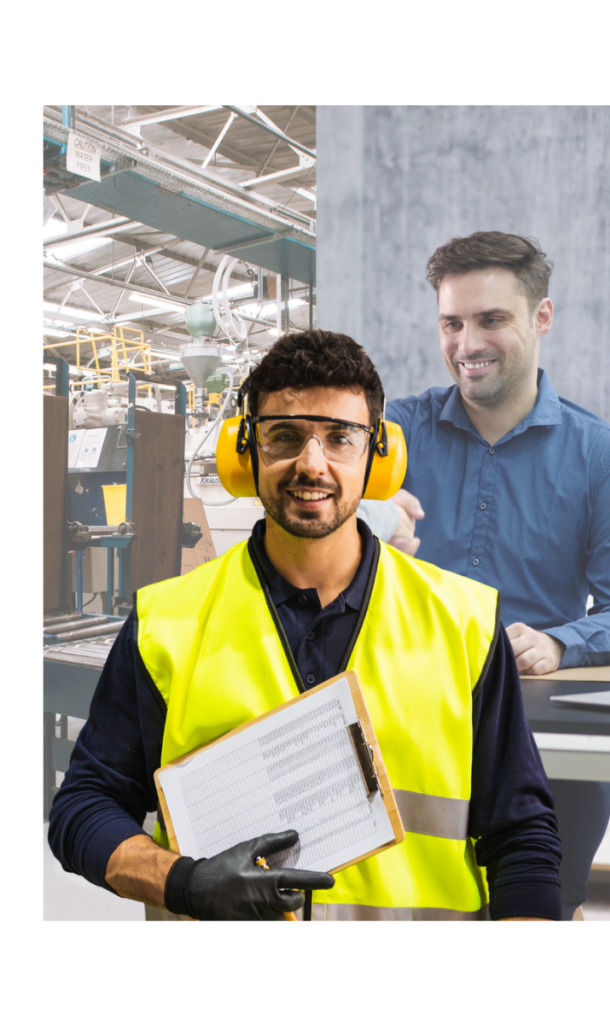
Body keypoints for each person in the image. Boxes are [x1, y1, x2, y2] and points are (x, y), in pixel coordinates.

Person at [48, 329, 561, 921]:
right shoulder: (167, 622)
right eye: (285, 436)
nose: (311, 464)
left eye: (341, 438)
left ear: (379, 457)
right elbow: (83, 806)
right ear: (246, 453)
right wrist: (183, 882)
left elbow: (522, 838)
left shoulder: (462, 621)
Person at [375, 231, 610, 920]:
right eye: (451, 323)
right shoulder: (393, 434)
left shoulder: (599, 454)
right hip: (410, 731)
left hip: (544, 751)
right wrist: (357, 518)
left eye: (491, 320)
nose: (466, 344)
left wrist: (565, 642)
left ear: (542, 317)